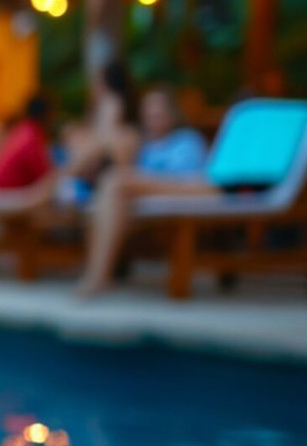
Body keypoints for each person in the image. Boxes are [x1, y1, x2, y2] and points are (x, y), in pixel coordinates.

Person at [75, 87, 213, 297]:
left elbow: (196, 180)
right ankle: (101, 272)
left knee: (115, 180)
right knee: (103, 194)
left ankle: (98, 276)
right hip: (148, 196)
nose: (152, 115)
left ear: (172, 114)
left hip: (185, 188)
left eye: (158, 110)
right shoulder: (145, 147)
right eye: (148, 111)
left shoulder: (187, 139)